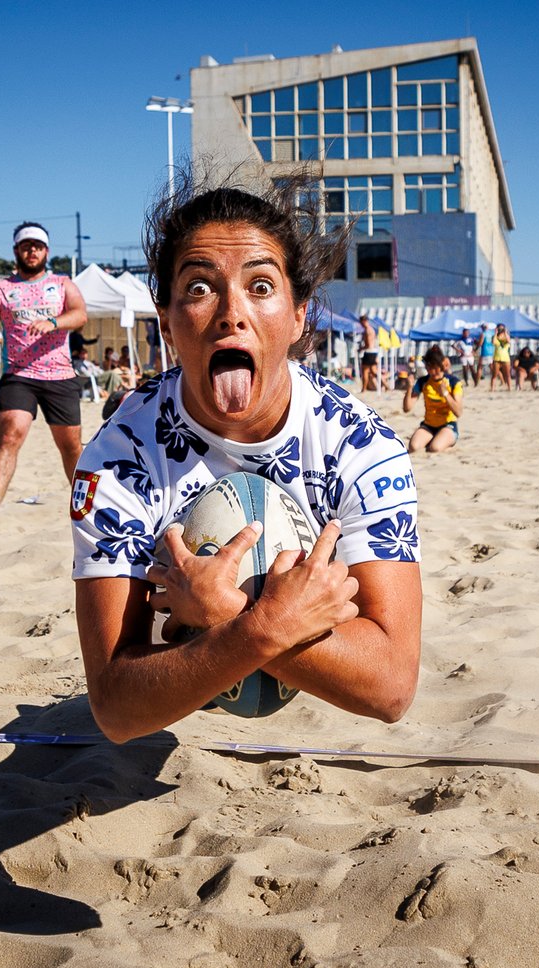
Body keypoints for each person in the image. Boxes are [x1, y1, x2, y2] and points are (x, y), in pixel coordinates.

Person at [70, 176, 421, 743]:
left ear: (299, 315)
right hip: (196, 675)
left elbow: (391, 686)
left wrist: (225, 612)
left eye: (260, 286)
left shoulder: (362, 446)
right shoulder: (118, 460)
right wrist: (261, 627)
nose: (232, 313)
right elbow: (115, 708)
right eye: (200, 287)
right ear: (165, 321)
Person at [0, 222, 89, 519]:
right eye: (26, 246)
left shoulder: (62, 284)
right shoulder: (2, 289)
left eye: (37, 246)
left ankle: (85, 508)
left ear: (46, 251)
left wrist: (53, 322)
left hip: (59, 375)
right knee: (9, 436)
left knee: (71, 447)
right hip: (19, 375)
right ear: (16, 250)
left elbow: (80, 315)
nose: (32, 251)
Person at [403, 344, 464, 453]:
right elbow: (407, 408)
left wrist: (445, 394)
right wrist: (409, 388)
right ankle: (433, 438)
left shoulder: (453, 382)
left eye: (436, 368)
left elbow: (458, 412)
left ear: (442, 366)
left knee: (435, 448)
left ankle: (442, 439)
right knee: (414, 447)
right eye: (429, 368)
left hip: (448, 425)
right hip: (429, 425)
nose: (433, 371)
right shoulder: (423, 382)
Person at [488, 323, 512, 391]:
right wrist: (495, 333)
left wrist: (505, 332)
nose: (500, 329)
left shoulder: (506, 336)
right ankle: (492, 388)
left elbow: (508, 341)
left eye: (502, 328)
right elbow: (493, 342)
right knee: (494, 375)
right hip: (497, 358)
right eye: (499, 328)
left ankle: (509, 388)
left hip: (505, 358)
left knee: (507, 374)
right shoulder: (495, 336)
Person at [358, 314, 379, 391]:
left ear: (363, 321)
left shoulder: (367, 330)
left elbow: (368, 345)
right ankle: (386, 385)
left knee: (365, 371)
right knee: (374, 371)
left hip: (369, 352)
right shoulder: (371, 329)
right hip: (373, 352)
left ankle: (364, 389)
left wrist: (361, 349)